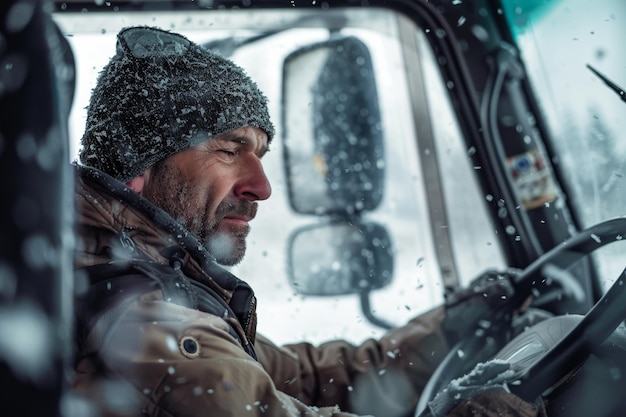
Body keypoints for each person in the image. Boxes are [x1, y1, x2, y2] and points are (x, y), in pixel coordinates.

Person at [71, 26, 544, 417]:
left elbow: (306, 377)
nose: (261, 186)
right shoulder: (142, 323)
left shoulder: (152, 286)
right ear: (137, 164)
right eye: (229, 150)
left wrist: (450, 330)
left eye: (259, 155)